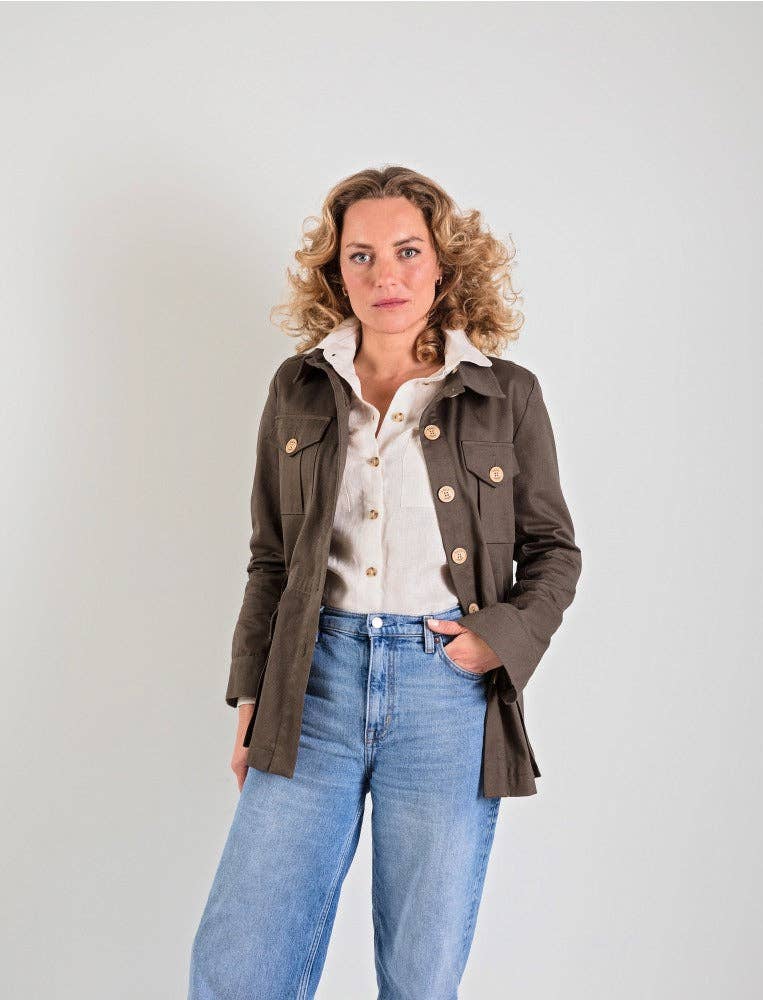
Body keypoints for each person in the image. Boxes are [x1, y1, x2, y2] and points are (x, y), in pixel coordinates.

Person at [188, 165, 582, 1000]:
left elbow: (553, 551)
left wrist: (493, 643)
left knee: (419, 974)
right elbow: (270, 560)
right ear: (336, 273)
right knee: (238, 965)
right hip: (311, 686)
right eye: (360, 256)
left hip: (445, 696)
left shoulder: (505, 394)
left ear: (443, 264)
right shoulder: (298, 386)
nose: (385, 275)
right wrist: (251, 697)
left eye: (407, 251)